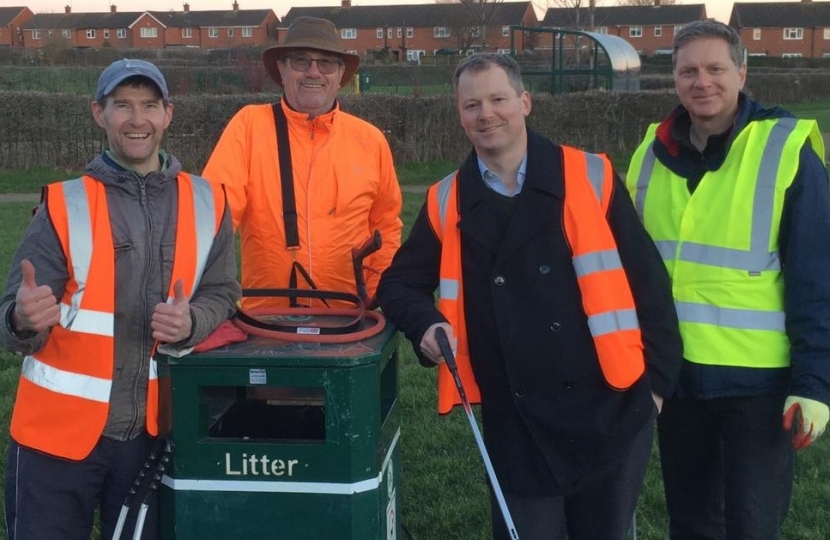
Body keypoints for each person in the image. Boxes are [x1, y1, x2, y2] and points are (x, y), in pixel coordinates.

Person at [377, 53, 683, 540]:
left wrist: (658, 389)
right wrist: (425, 324)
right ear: (459, 114)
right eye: (472, 104)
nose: (486, 114)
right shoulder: (446, 198)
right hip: (515, 419)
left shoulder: (592, 175)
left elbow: (649, 283)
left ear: (524, 101)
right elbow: (396, 284)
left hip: (610, 406)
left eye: (498, 99)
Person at [0, 59, 240, 540]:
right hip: (56, 439)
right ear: (99, 113)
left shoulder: (208, 201)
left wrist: (192, 321)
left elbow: (223, 292)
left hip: (151, 436)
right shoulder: (64, 205)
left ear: (168, 114)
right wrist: (23, 319)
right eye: (122, 105)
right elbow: (11, 317)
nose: (137, 119)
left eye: (149, 105)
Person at [625, 20, 830, 539]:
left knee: (752, 526)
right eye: (688, 70)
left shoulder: (786, 148)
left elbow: (816, 275)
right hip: (677, 378)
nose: (702, 81)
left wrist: (814, 383)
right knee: (690, 525)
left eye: (716, 68)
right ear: (672, 77)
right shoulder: (650, 152)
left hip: (757, 384)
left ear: (742, 71)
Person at [203, 16, 402, 309]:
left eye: (325, 63)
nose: (313, 72)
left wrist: (375, 293)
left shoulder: (369, 139)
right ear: (282, 69)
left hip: (348, 317)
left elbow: (384, 225)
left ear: (340, 74)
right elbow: (214, 218)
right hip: (268, 319)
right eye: (300, 61)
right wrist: (206, 298)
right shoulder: (249, 126)